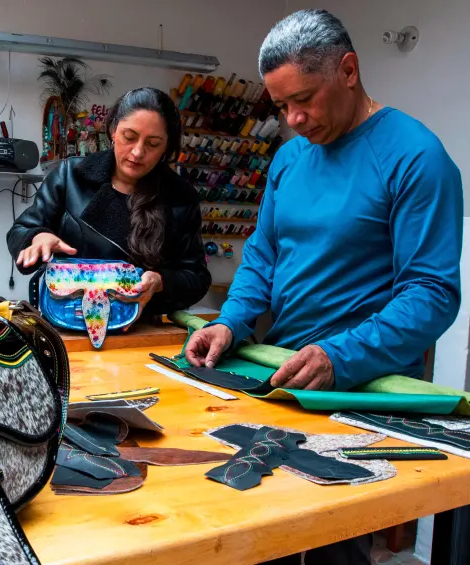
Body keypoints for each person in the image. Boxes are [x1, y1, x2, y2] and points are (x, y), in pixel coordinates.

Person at [185, 9, 462, 565]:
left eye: (304, 99)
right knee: (254, 532)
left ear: (349, 71)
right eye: (280, 106)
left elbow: (431, 293)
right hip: (282, 376)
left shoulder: (416, 157)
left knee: (330, 544)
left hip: (359, 392)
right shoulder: (289, 158)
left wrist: (340, 356)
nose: (293, 119)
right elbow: (263, 255)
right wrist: (231, 321)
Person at [7, 87, 211, 318]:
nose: (137, 152)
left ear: (166, 147)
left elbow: (196, 278)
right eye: (129, 137)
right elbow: (20, 230)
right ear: (113, 130)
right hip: (68, 316)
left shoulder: (180, 197)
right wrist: (37, 237)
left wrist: (160, 281)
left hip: (138, 325)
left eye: (153, 144)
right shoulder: (70, 175)